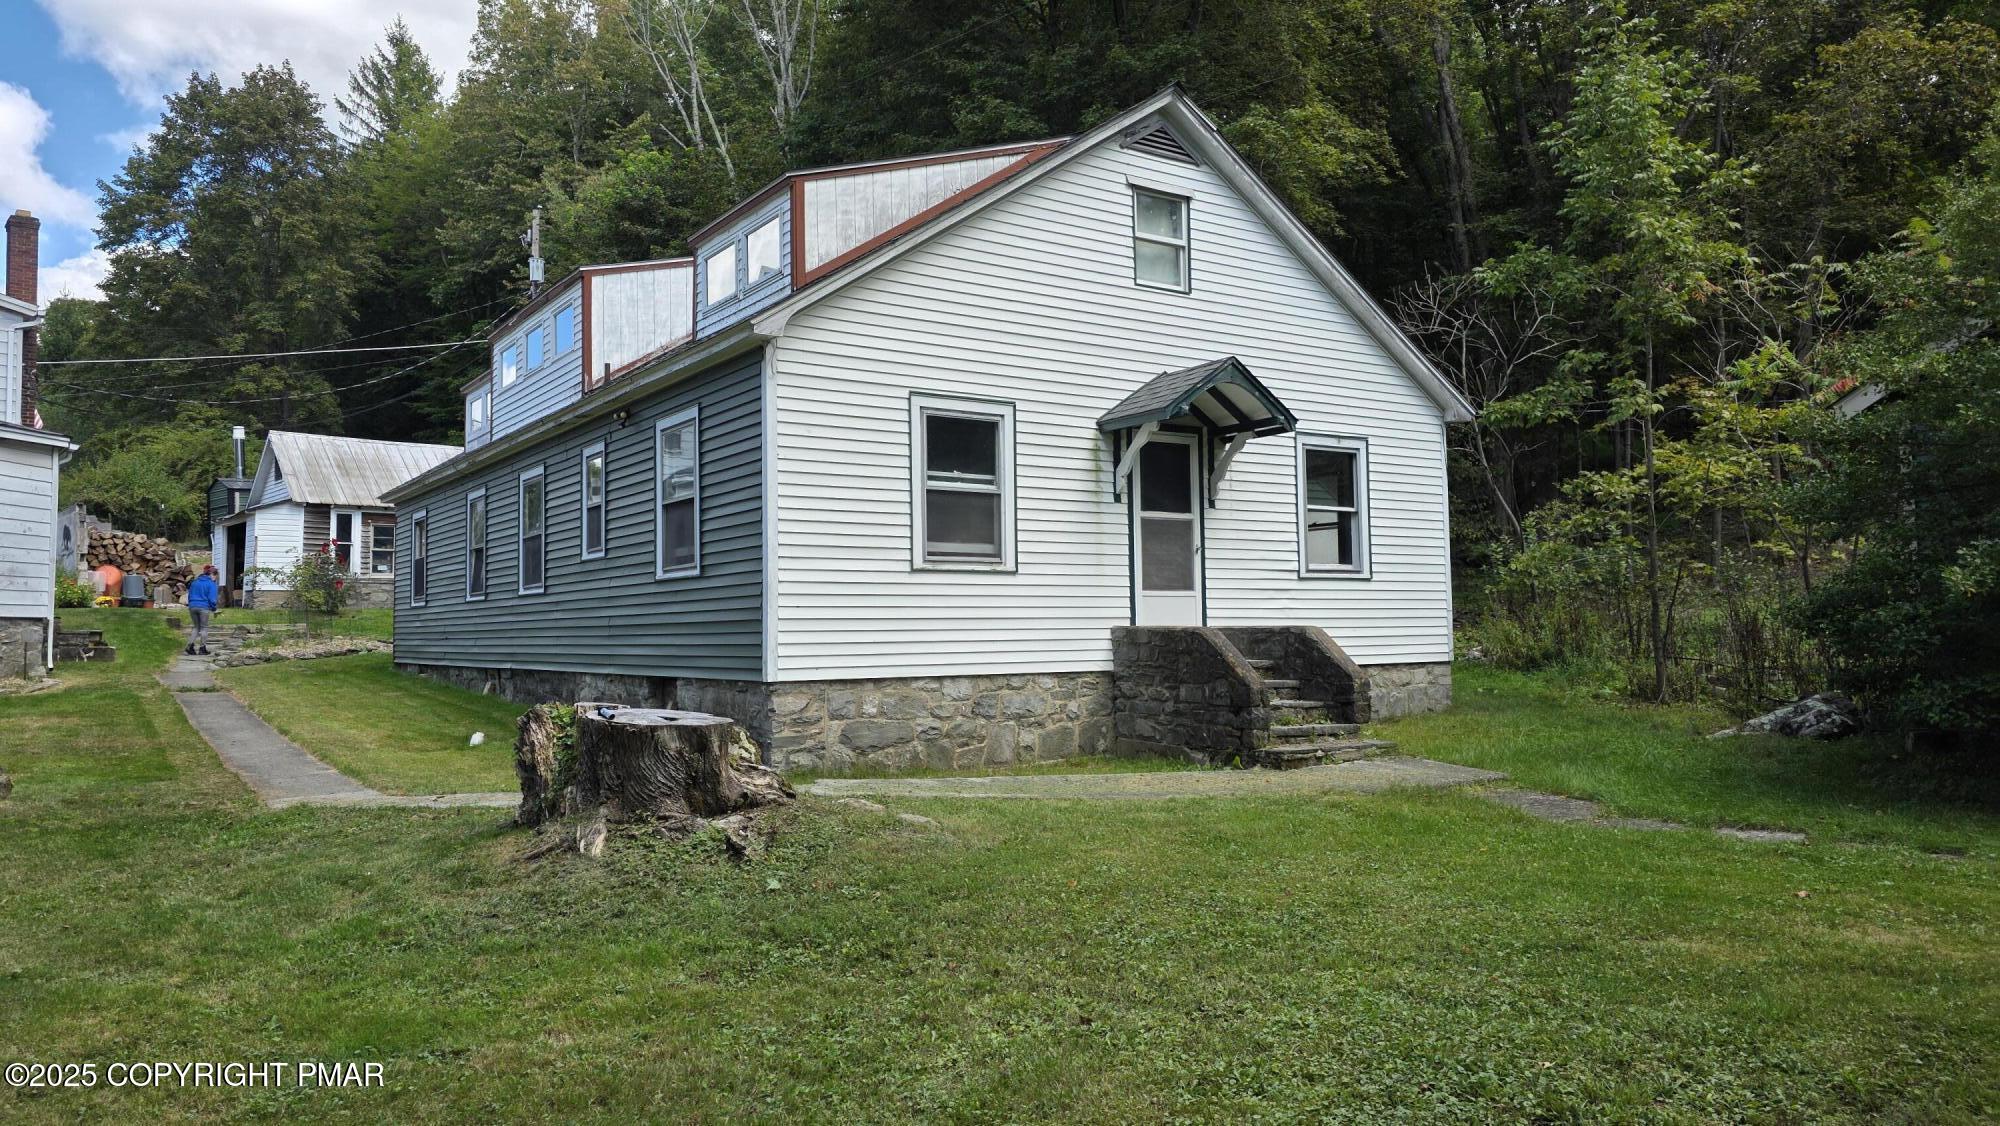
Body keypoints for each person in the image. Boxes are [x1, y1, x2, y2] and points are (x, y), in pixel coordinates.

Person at [186, 565, 220, 656]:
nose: (215, 579)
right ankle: (202, 649)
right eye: (215, 576)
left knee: (196, 627)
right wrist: (214, 608)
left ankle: (189, 646)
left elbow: (189, 595)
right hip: (204, 607)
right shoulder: (211, 584)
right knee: (204, 628)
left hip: (192, 606)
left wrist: (191, 604)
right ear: (212, 574)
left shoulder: (195, 582)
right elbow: (212, 599)